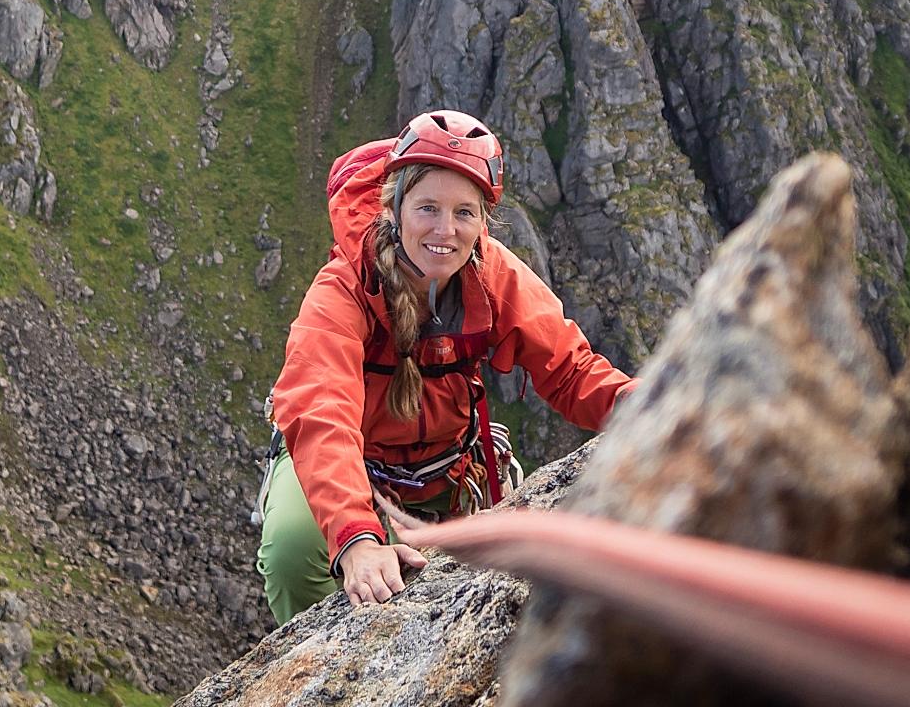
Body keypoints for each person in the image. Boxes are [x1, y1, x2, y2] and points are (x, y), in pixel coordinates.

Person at [256, 109, 635, 623]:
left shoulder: (492, 274)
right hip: (352, 464)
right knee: (292, 552)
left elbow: (568, 369)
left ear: (483, 222)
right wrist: (356, 538)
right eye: (427, 208)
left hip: (445, 468)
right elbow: (322, 412)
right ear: (395, 208)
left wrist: (649, 412)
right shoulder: (344, 289)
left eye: (464, 213)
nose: (445, 230)